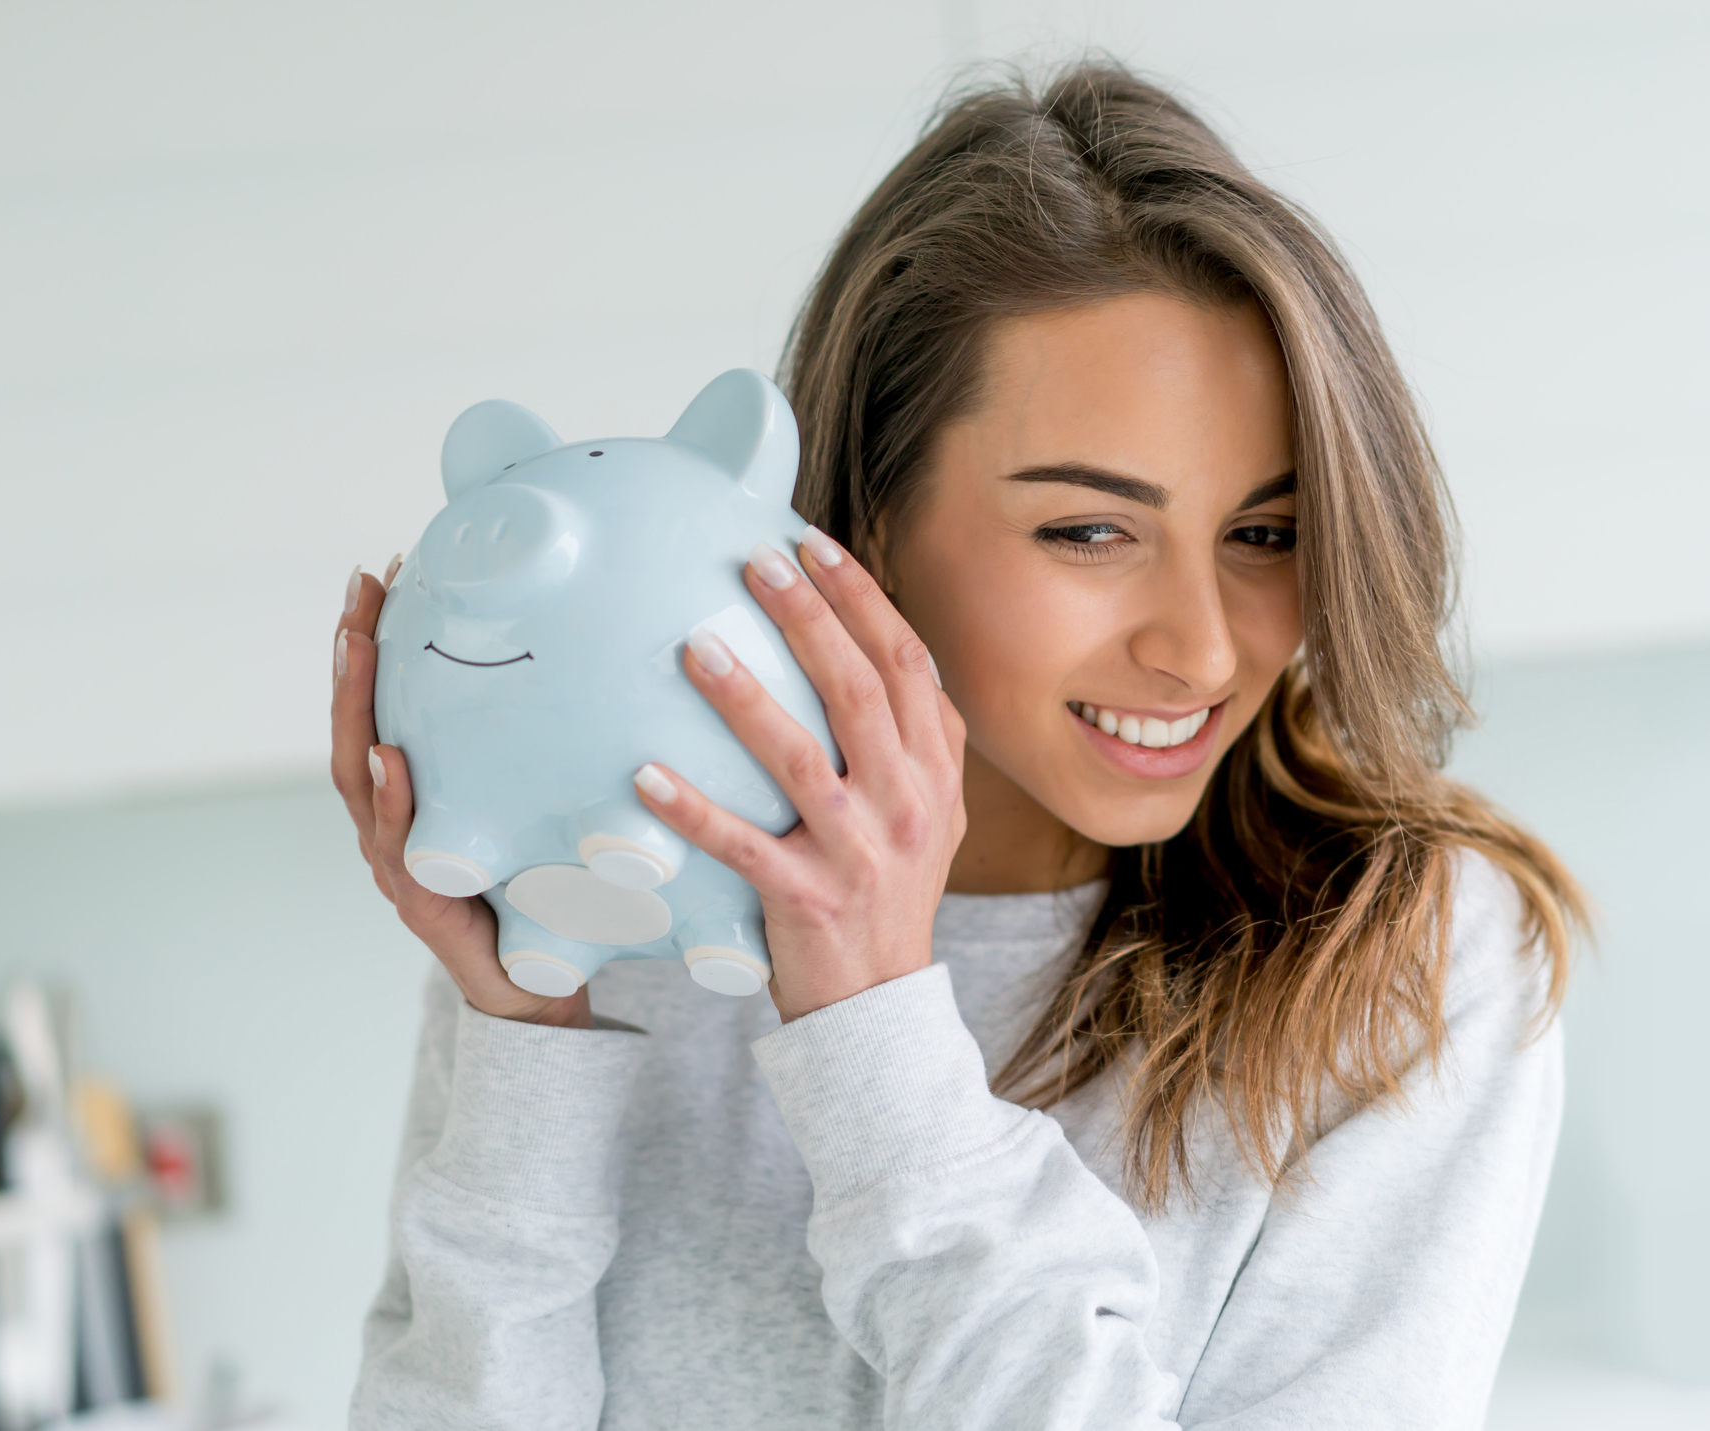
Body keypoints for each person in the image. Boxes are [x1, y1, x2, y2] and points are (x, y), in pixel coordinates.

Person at [332, 62, 1582, 1430]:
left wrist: (875, 1039)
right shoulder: (618, 896)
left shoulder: (1410, 963)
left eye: (1265, 535)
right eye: (1092, 532)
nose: (1205, 650)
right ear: (865, 520)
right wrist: (525, 1048)